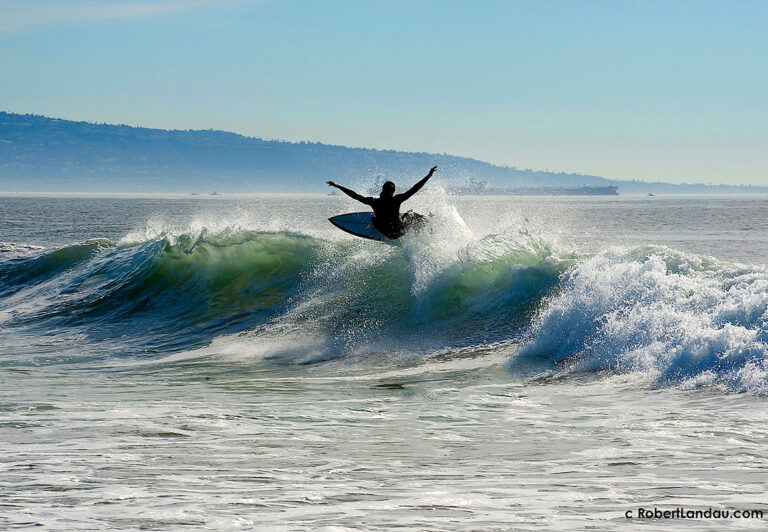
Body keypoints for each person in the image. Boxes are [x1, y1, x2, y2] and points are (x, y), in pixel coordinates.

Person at [327, 166, 437, 239]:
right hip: (399, 232)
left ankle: (380, 222)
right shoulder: (396, 200)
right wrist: (428, 176)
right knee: (411, 214)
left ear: (382, 190)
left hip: (387, 233)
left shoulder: (374, 201)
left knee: (374, 219)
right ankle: (427, 227)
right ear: (393, 192)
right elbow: (414, 189)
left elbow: (354, 195)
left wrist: (337, 186)